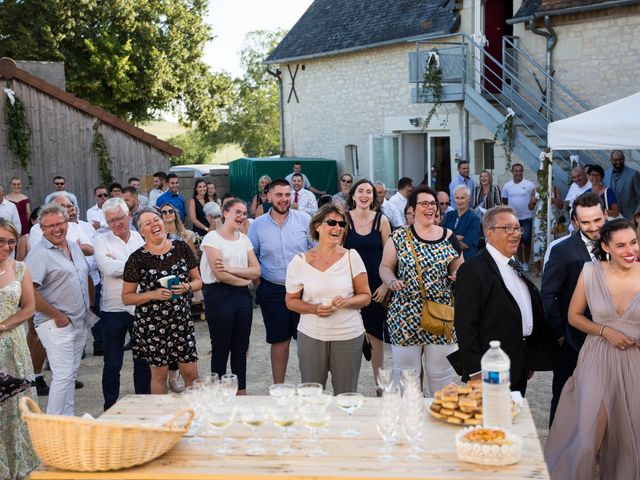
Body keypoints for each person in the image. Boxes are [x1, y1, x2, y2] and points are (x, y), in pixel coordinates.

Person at [545, 219, 640, 480]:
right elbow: (574, 316)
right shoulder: (590, 271)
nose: (630, 250)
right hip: (597, 357)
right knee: (588, 439)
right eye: (621, 245)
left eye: (633, 242)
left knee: (628, 440)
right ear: (605, 246)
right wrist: (605, 331)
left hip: (636, 362)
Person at [454, 206, 556, 395]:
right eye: (508, 228)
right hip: (490, 367)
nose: (515, 234)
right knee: (493, 421)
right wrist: (476, 371)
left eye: (518, 228)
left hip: (519, 363)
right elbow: (465, 326)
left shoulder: (513, 265)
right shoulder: (472, 270)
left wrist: (528, 357)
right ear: (489, 233)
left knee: (511, 419)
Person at [379, 186, 463, 393]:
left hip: (440, 314)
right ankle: (409, 423)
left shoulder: (449, 236)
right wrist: (391, 281)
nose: (430, 208)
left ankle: (440, 419)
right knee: (406, 376)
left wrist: (458, 274)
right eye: (424, 203)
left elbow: (460, 265)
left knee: (440, 375)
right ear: (412, 209)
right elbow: (386, 266)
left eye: (433, 204)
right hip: (405, 315)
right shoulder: (399, 236)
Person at [286, 204, 371, 394]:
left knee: (346, 396)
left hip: (348, 336)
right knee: (311, 396)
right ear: (317, 226)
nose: (338, 228)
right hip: (311, 336)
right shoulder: (299, 261)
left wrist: (348, 302)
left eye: (342, 224)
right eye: (331, 222)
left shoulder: (352, 257)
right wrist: (313, 308)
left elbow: (366, 296)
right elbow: (290, 301)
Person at [25, 204, 99, 415]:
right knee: (63, 376)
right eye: (50, 226)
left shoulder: (73, 246)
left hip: (78, 320)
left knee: (70, 375)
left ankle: (67, 422)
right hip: (55, 324)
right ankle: (53, 427)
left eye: (60, 223)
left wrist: (89, 307)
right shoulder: (39, 254)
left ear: (67, 223)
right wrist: (57, 316)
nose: (57, 229)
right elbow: (28, 291)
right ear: (42, 228)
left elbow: (84, 276)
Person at [541, 192, 606, 426]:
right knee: (565, 396)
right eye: (586, 222)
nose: (592, 227)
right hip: (573, 340)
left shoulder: (618, 247)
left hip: (610, 339)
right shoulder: (563, 250)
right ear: (576, 222)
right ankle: (557, 452)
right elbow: (547, 296)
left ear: (605, 215)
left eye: (597, 220)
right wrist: (560, 335)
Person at [122, 207, 202, 394]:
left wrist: (186, 287)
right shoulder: (136, 259)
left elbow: (198, 281)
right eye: (147, 223)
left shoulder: (181, 248)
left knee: (191, 373)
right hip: (152, 325)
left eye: (156, 219)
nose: (155, 224)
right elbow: (126, 297)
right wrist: (153, 294)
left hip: (181, 321)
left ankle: (196, 414)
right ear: (141, 231)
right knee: (159, 375)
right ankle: (163, 419)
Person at [248, 179, 312, 383]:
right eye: (279, 195)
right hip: (272, 290)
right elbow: (252, 256)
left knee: (306, 342)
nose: (283, 200)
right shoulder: (257, 225)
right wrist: (260, 285)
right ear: (268, 196)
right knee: (279, 342)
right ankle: (279, 388)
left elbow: (317, 251)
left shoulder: (304, 219)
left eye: (287, 195)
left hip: (304, 290)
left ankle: (308, 387)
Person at [93, 198, 150, 410]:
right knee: (112, 363)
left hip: (140, 307)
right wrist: (138, 265)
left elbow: (148, 264)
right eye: (111, 220)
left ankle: (143, 404)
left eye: (119, 218)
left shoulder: (140, 237)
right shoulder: (101, 240)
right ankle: (110, 406)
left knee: (142, 361)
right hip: (113, 308)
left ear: (128, 216)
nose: (116, 223)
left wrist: (124, 266)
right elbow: (107, 268)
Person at [200, 199, 260, 395]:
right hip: (218, 295)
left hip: (242, 297)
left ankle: (240, 392)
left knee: (241, 347)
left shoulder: (244, 239)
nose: (241, 216)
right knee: (221, 348)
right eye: (237, 212)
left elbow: (256, 270)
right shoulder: (212, 239)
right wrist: (244, 281)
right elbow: (220, 275)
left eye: (244, 213)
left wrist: (233, 269)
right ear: (225, 213)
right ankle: (218, 394)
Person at [343, 179, 391, 393]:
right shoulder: (343, 220)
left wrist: (385, 285)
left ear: (374, 197)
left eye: (368, 192)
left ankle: (379, 388)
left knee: (375, 337)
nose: (364, 195)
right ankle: (346, 389)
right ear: (353, 195)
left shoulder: (381, 220)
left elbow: (391, 257)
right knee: (347, 336)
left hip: (375, 288)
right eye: (360, 191)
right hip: (348, 286)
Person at [0, 219, 39, 478]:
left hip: (13, 347)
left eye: (11, 242)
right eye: (0, 241)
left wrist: (3, 325)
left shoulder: (21, 268)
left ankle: (16, 466)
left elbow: (29, 307)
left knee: (15, 406)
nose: (6, 246)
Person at [29, 193, 94, 256]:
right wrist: (74, 248)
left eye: (69, 206)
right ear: (51, 208)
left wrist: (65, 248)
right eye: (62, 206)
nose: (66, 209)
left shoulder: (74, 226)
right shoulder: (38, 228)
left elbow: (91, 250)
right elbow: (40, 254)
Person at [501, 163, 536, 272]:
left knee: (526, 241)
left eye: (520, 171)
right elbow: (504, 201)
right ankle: (520, 261)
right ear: (512, 172)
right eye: (516, 171)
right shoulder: (507, 186)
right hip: (513, 219)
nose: (518, 173)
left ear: (522, 172)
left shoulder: (530, 185)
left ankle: (526, 262)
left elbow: (533, 201)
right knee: (516, 241)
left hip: (526, 218)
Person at [443, 185, 481, 259]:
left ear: (469, 199)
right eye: (457, 198)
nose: (459, 201)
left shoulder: (474, 218)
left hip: (467, 261)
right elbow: (441, 238)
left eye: (462, 198)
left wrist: (449, 239)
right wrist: (457, 237)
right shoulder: (448, 216)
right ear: (454, 199)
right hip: (449, 260)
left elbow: (465, 244)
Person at [604, 150, 640, 219]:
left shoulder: (634, 174)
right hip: (611, 217)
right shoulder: (606, 173)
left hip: (630, 217)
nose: (618, 162)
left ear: (624, 159)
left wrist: (636, 215)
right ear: (611, 160)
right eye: (615, 160)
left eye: (620, 159)